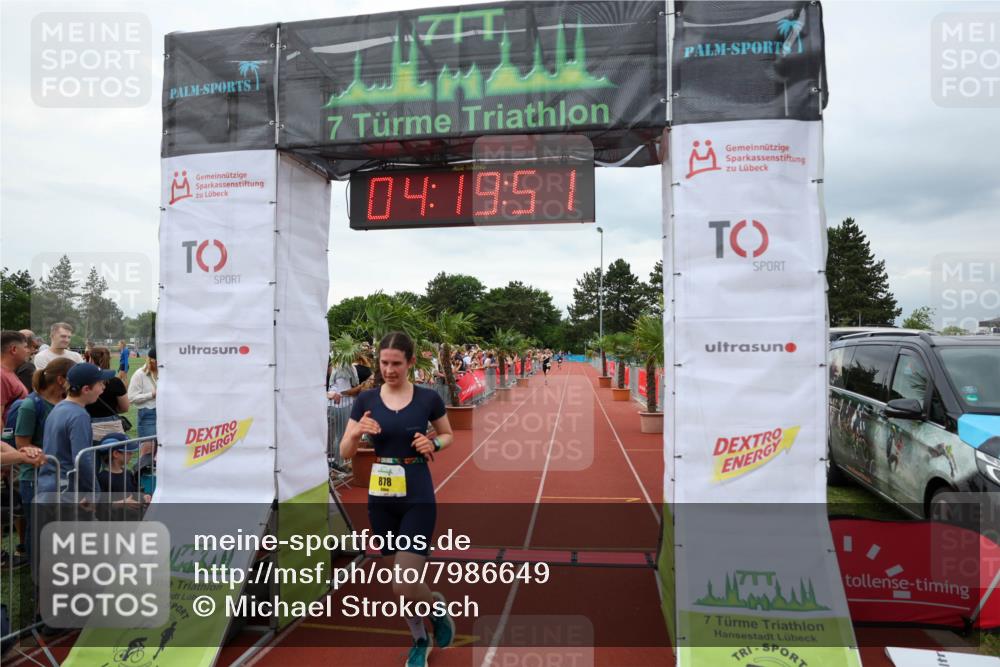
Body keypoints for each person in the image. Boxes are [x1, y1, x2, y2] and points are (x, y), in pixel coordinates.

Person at [340, 332, 456, 666]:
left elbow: (448, 434)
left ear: (410, 362)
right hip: (381, 496)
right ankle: (420, 640)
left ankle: (434, 607)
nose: (389, 369)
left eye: (396, 363)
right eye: (384, 363)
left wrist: (433, 444)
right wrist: (356, 432)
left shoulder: (427, 398)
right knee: (404, 583)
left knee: (402, 585)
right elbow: (345, 451)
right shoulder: (366, 400)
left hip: (417, 491)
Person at [11, 357, 74, 573]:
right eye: (71, 378)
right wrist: (46, 457)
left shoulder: (67, 402)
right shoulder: (31, 405)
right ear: (60, 380)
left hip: (60, 477)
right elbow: (22, 444)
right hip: (35, 478)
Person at [37, 362, 115, 495]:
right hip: (66, 488)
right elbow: (82, 459)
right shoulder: (79, 416)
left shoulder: (59, 407)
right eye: (100, 383)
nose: (103, 388)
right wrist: (94, 491)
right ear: (86, 389)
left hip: (48, 483)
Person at [87, 346, 130, 443]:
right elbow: (125, 407)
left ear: (92, 360)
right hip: (113, 427)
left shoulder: (85, 382)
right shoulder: (116, 382)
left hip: (91, 427)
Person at [128, 348, 157, 439]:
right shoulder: (139, 374)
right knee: (149, 448)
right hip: (148, 414)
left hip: (166, 413)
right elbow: (131, 398)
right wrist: (151, 395)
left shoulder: (166, 373)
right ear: (151, 360)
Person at [1, 331, 29, 423]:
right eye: (25, 347)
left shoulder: (8, 372)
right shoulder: (1, 375)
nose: (28, 351)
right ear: (14, 349)